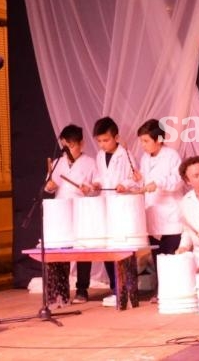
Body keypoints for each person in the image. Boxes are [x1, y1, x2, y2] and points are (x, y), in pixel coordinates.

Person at [44, 124, 97, 304]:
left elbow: (97, 188)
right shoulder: (59, 162)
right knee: (62, 249)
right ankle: (62, 290)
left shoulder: (90, 162)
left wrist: (88, 189)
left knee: (82, 250)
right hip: (61, 212)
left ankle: (82, 289)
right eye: (65, 146)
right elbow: (49, 184)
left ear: (81, 144)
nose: (68, 150)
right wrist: (49, 186)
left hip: (82, 210)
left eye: (72, 146)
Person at [88, 116, 137, 307]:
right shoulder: (100, 157)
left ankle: (125, 288)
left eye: (105, 140)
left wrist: (124, 185)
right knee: (107, 249)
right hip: (106, 207)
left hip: (122, 208)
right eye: (99, 141)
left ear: (116, 137)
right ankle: (114, 288)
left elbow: (135, 178)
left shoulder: (126, 154)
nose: (102, 145)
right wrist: (96, 184)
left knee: (121, 250)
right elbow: (100, 176)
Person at [134, 118, 184, 301]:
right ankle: (161, 290)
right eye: (142, 141)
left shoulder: (172, 156)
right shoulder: (145, 158)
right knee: (157, 256)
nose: (143, 145)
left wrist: (159, 183)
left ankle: (172, 291)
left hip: (170, 215)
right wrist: (139, 179)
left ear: (159, 139)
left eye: (146, 141)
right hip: (153, 215)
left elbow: (178, 181)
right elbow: (145, 182)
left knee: (170, 256)